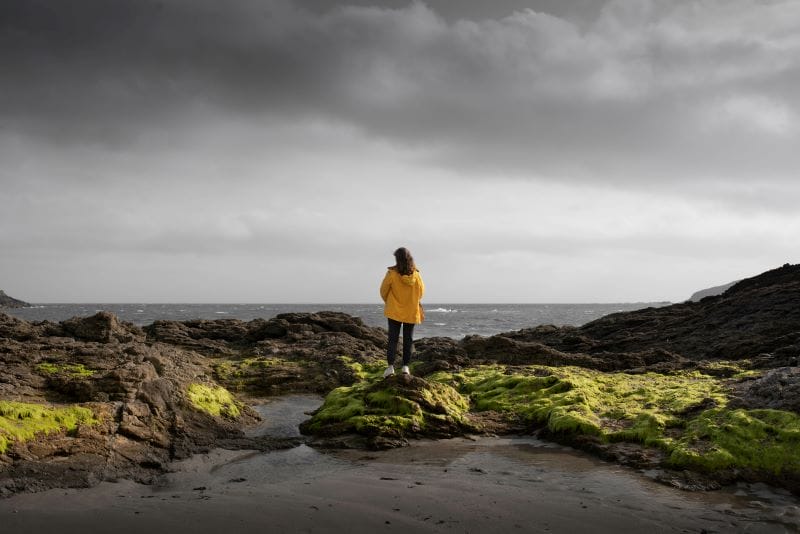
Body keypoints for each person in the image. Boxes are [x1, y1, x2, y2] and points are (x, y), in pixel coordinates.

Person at [379, 247, 425, 377]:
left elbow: (383, 290)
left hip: (394, 310)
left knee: (392, 339)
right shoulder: (416, 274)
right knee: (408, 339)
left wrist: (390, 301)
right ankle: (405, 367)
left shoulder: (391, 273)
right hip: (411, 310)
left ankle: (390, 368)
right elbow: (421, 292)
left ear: (397, 259)